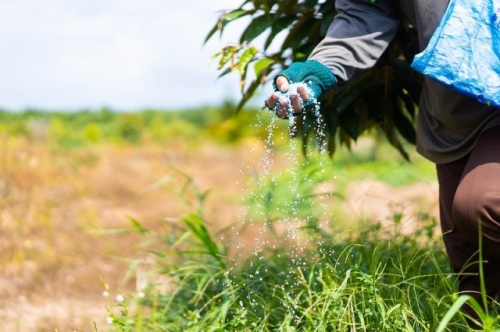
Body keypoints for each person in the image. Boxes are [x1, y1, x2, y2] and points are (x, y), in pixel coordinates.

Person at [265, 0, 500, 324]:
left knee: (483, 202)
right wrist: (321, 69)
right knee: (476, 286)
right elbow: (366, 11)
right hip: (455, 112)